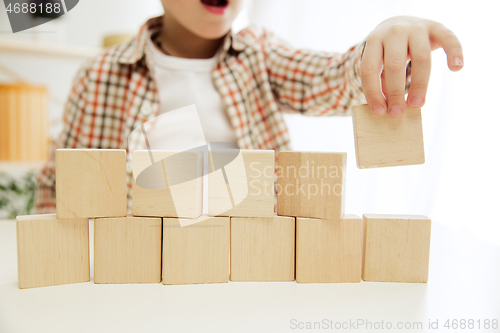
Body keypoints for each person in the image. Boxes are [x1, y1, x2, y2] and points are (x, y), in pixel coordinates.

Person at [34, 0, 463, 213]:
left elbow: (331, 78)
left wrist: (384, 43)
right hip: (146, 271)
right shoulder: (102, 75)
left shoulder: (259, 53)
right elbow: (60, 195)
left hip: (255, 262)